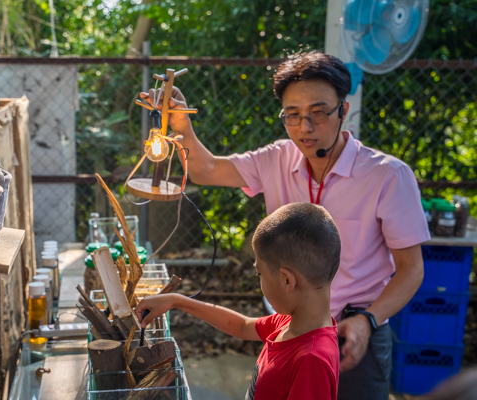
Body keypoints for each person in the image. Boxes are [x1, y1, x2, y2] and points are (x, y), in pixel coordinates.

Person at [140, 51, 431, 400]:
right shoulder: (277, 158)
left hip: (354, 334)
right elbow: (205, 170)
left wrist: (368, 321)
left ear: (344, 109)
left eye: (319, 113)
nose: (305, 128)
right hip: (289, 325)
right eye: (292, 115)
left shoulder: (388, 175)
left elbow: (411, 270)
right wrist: (181, 127)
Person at [136, 202, 341, 400]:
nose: (258, 279)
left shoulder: (312, 361)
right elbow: (242, 326)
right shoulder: (290, 323)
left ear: (287, 280)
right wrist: (176, 301)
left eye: (259, 273)